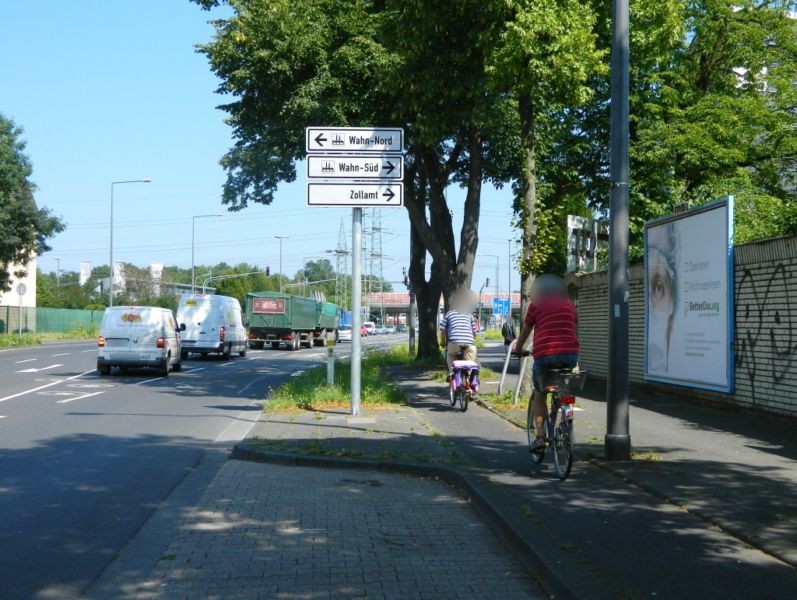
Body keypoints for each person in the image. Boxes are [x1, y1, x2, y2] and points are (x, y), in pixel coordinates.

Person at [513, 274, 579, 452]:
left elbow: (525, 332)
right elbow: (574, 329)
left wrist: (518, 349)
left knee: (540, 392)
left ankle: (540, 436)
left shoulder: (536, 306)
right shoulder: (570, 305)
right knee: (565, 389)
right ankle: (567, 418)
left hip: (545, 356)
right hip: (570, 355)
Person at [439, 291, 477, 373]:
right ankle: (469, 376)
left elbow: (442, 330)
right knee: (469, 363)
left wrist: (443, 342)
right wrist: (472, 340)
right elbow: (474, 332)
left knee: (450, 354)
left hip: (454, 342)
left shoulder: (449, 314)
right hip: (469, 342)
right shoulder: (469, 315)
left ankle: (452, 373)